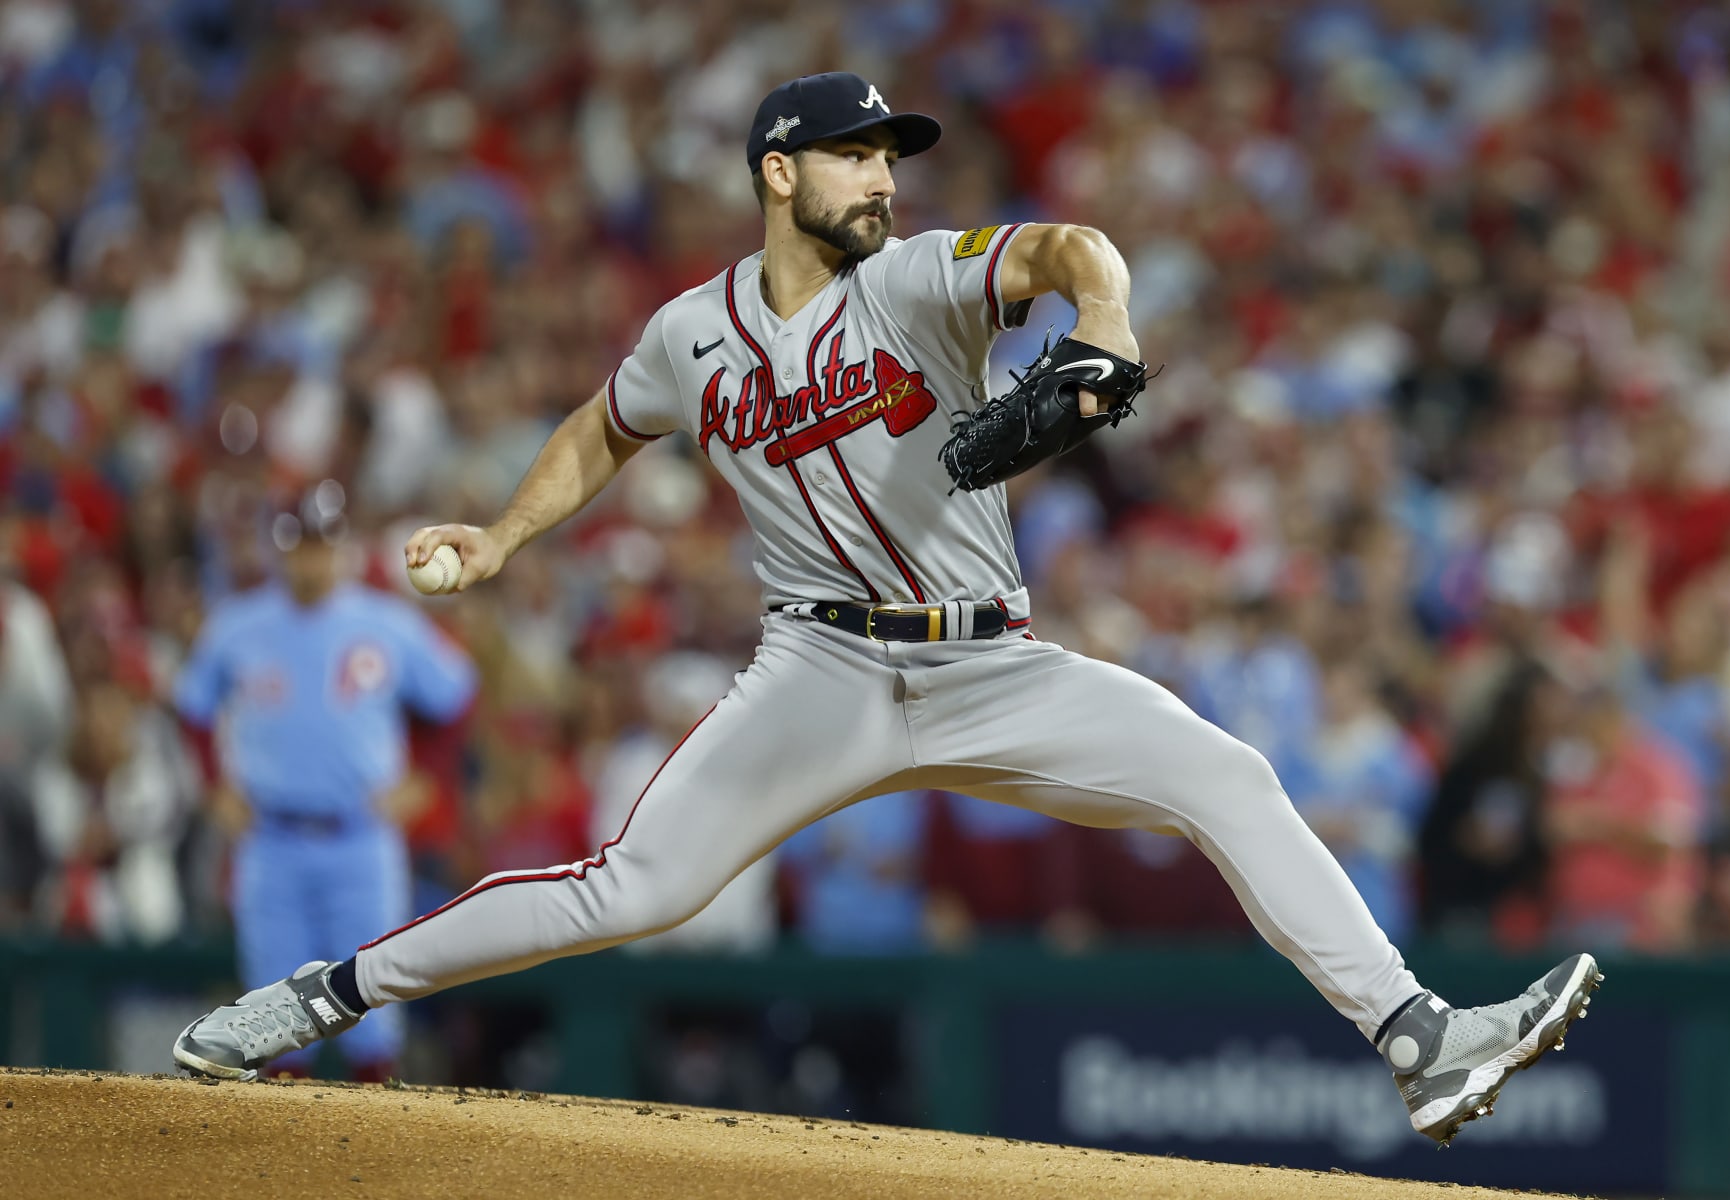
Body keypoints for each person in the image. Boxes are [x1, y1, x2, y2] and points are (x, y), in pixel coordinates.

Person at [172, 73, 1601, 1145]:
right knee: (638, 890)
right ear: (777, 173)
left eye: (889, 157)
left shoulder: (918, 283)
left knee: (1223, 774)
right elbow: (606, 426)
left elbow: (1074, 252)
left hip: (994, 664)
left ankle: (1419, 1036)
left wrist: (1104, 332)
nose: (883, 180)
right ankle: (326, 994)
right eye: (856, 156)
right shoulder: (692, 332)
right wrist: (497, 538)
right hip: (822, 672)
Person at [172, 486, 476, 1080]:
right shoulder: (239, 625)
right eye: (298, 546)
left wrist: (426, 780)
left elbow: (456, 699)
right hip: (271, 837)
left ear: (342, 547)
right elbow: (193, 711)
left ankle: (373, 1160)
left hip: (359, 837)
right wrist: (214, 787)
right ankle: (288, 1169)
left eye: (319, 544)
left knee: (374, 1009)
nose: (309, 559)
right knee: (273, 1018)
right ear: (279, 549)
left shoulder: (385, 623)